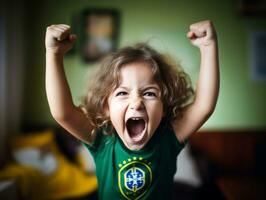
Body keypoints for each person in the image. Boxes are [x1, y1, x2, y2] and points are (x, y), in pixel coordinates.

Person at [45, 20, 219, 200]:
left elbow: (203, 106)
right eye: (122, 93)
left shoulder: (168, 139)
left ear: (164, 108)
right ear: (106, 108)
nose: (136, 103)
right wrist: (53, 54)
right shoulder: (103, 141)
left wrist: (208, 47)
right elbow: (62, 113)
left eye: (149, 93)